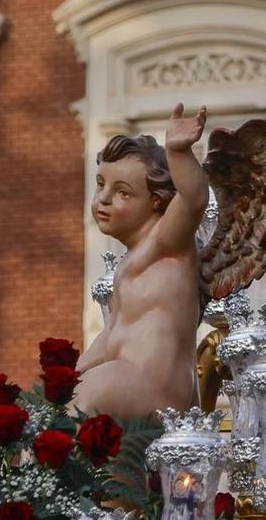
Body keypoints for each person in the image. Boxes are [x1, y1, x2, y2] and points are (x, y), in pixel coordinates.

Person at [75, 104, 208, 419]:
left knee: (89, 394)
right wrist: (70, 375)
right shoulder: (128, 265)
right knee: (57, 405)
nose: (103, 199)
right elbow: (111, 334)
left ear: (156, 202)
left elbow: (193, 199)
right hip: (124, 380)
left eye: (122, 192)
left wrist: (178, 152)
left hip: (161, 392)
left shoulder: (167, 242)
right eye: (101, 184)